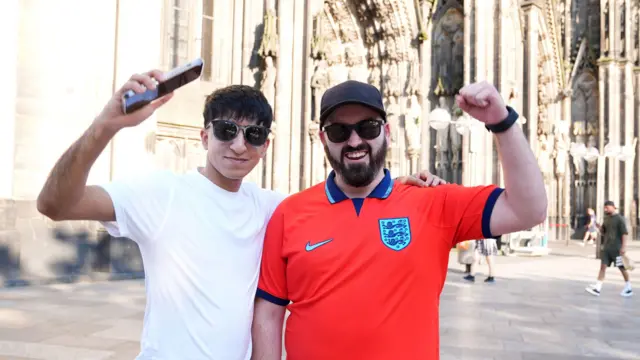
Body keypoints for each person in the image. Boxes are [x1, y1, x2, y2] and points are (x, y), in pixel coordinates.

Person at [36, 70, 445, 359]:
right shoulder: (161, 193)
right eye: (226, 130)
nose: (238, 145)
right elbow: (55, 205)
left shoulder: (273, 208)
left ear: (265, 146)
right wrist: (105, 127)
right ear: (204, 136)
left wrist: (398, 183)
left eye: (253, 135)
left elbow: (329, 207)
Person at [251, 80, 548, 360]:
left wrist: (502, 122)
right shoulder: (289, 213)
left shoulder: (433, 201)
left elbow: (528, 210)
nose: (355, 141)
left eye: (368, 127)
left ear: (388, 132)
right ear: (322, 139)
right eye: (339, 131)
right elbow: (269, 311)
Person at [585, 201, 633, 297]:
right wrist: (599, 228)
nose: (605, 209)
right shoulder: (606, 218)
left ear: (613, 207)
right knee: (603, 267)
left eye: (607, 207)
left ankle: (628, 287)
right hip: (607, 248)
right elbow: (604, 231)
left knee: (621, 267)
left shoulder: (619, 219)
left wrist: (623, 247)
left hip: (617, 249)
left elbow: (624, 233)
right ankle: (597, 288)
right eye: (605, 208)